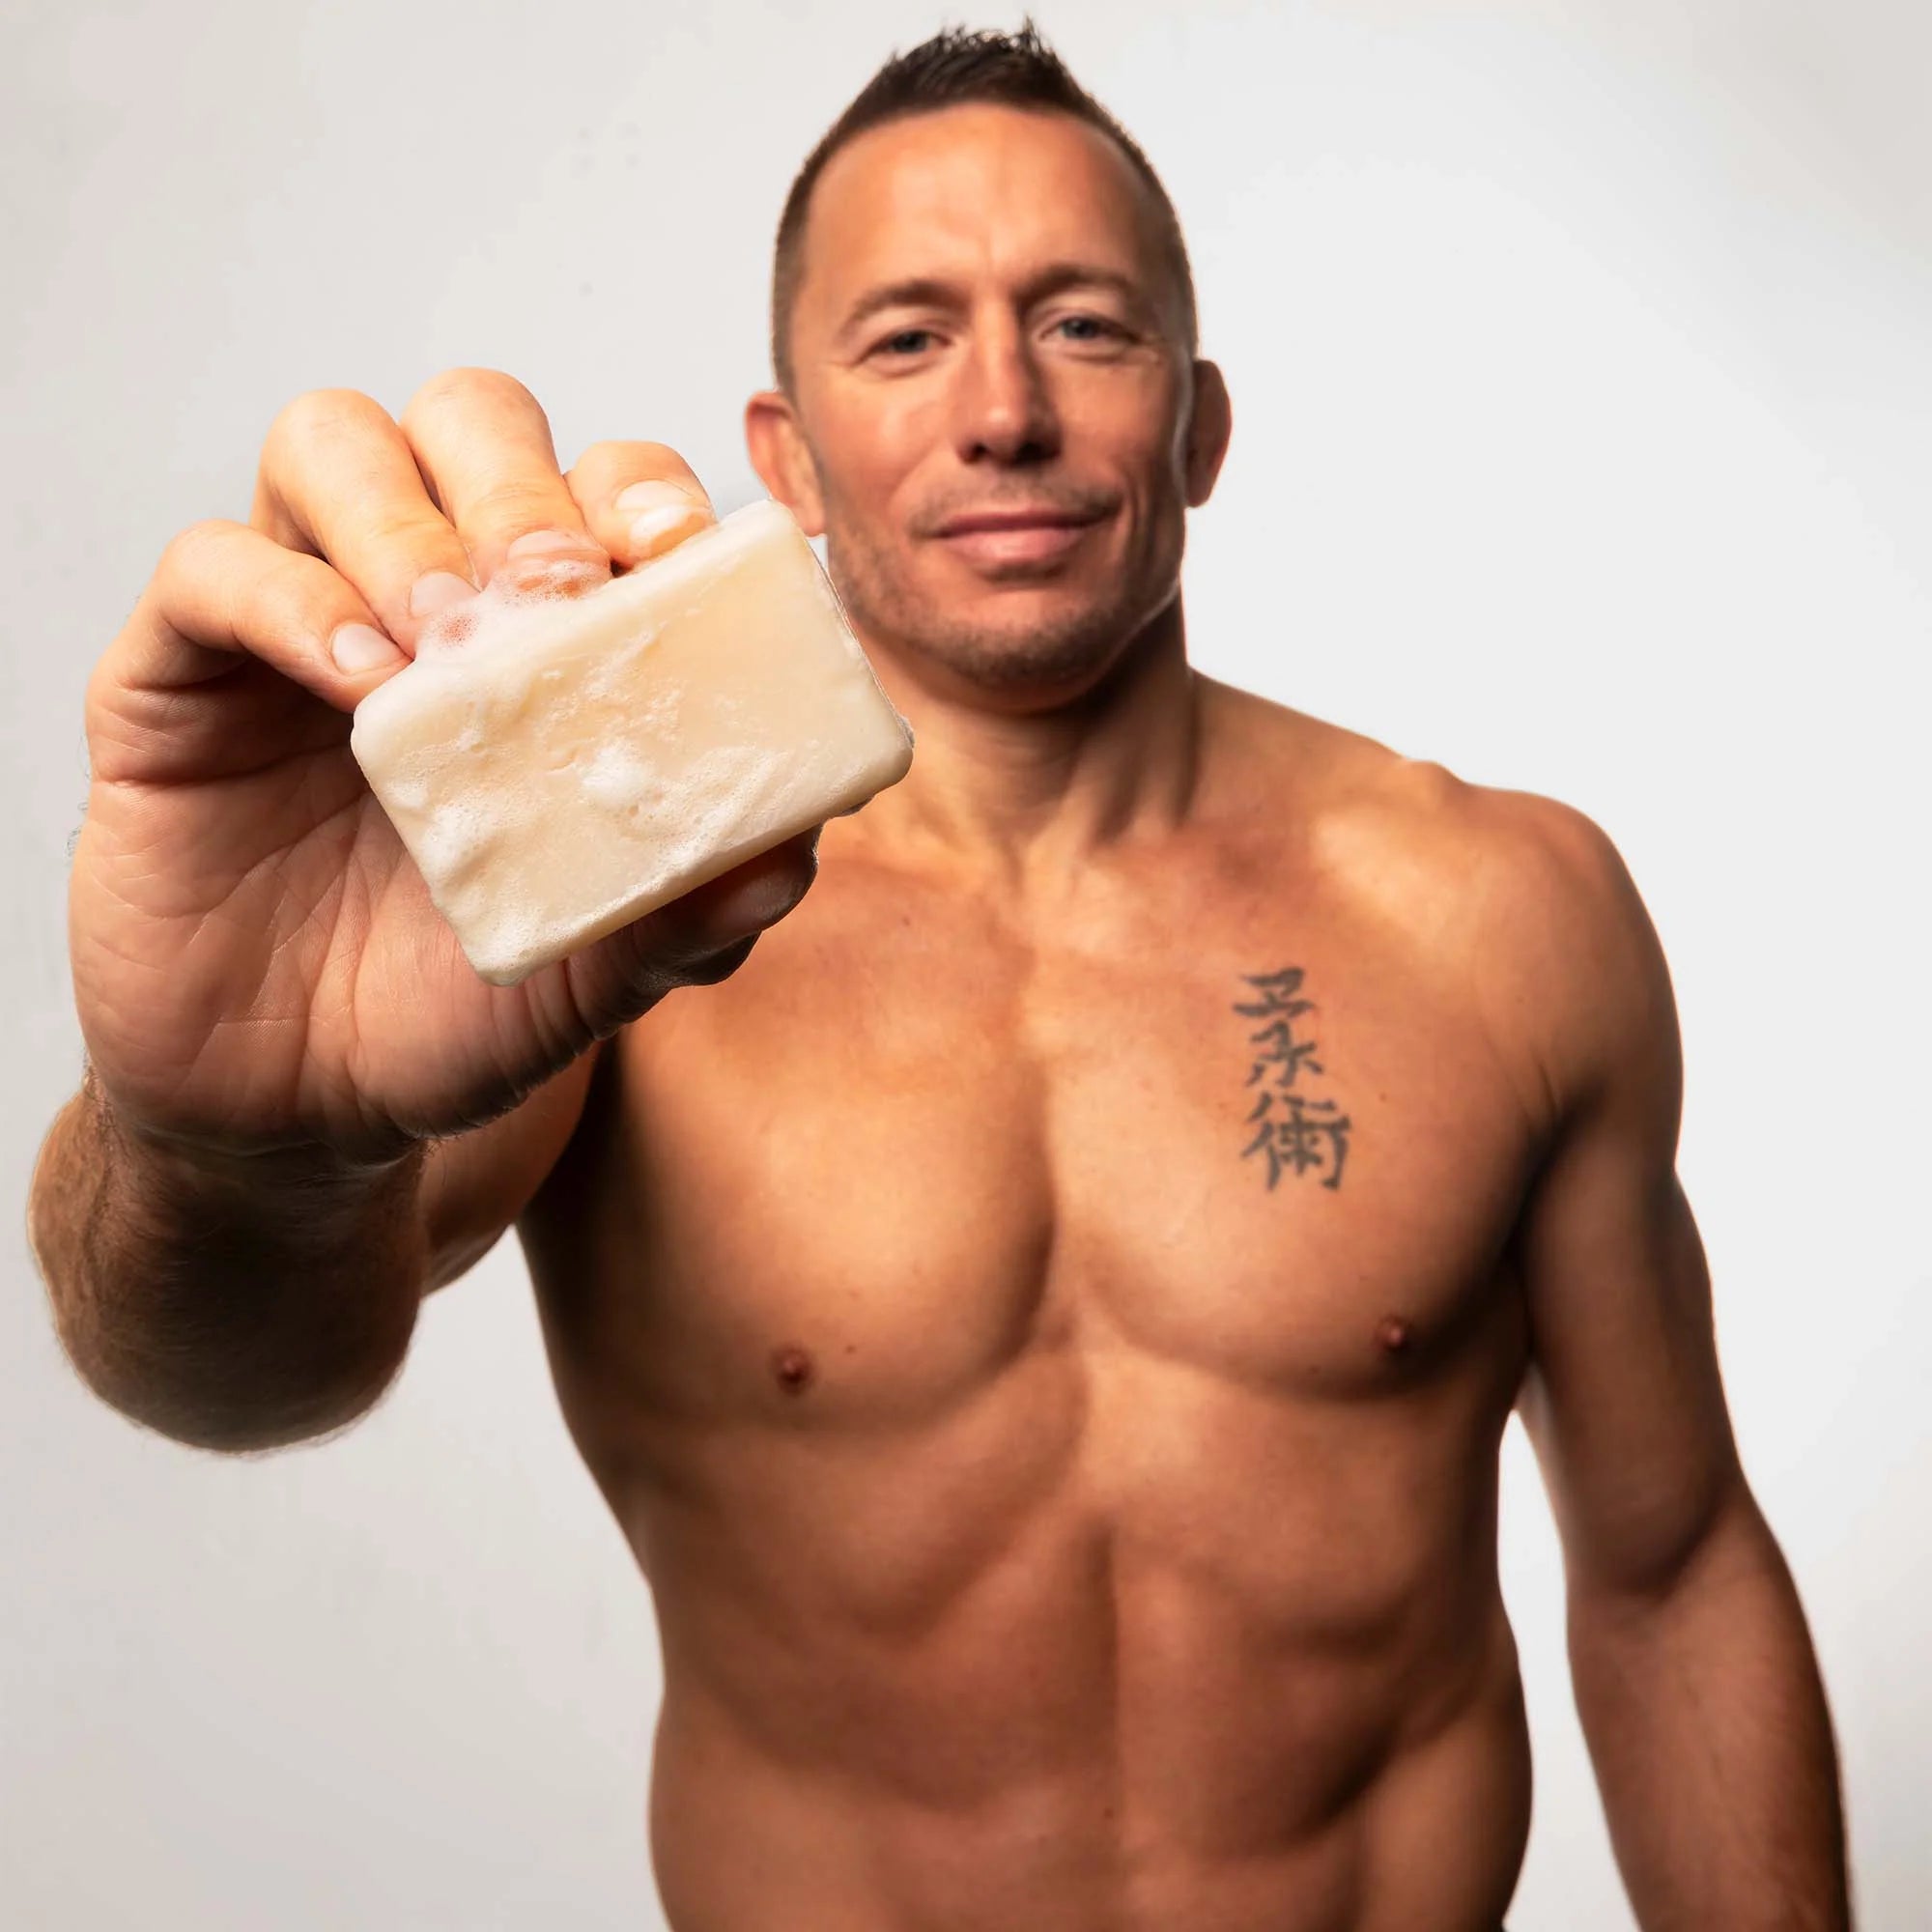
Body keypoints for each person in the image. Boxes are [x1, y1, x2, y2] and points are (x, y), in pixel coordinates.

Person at [28, 22, 1852, 1932]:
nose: (1002, 413)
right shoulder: (620, 938)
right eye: (906, 338)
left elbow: (1668, 1568)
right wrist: (227, 1146)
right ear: (785, 457)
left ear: (1200, 422)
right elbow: (229, 1372)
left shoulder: (1496, 909)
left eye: (1085, 325)